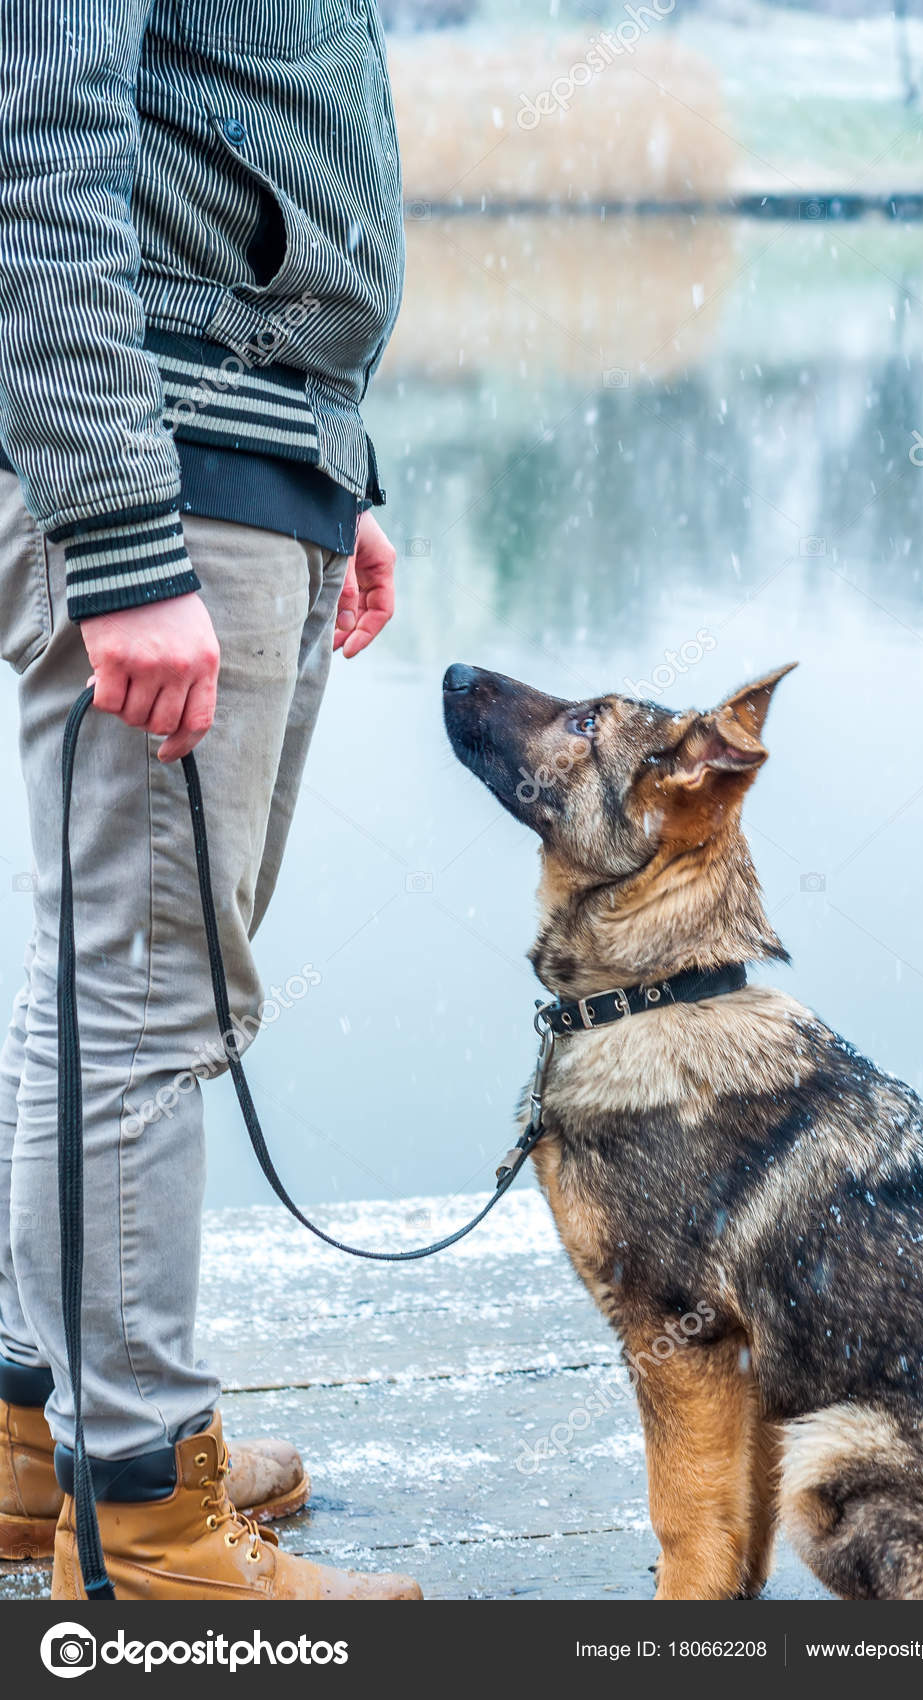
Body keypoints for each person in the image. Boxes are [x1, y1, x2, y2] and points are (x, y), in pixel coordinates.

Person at [0, 1, 420, 1601]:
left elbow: (245, 122)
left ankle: (40, 1432)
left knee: (98, 975)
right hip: (157, 458)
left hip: (232, 448)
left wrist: (330, 461)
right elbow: (34, 160)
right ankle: (147, 1532)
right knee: (146, 993)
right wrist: (120, 533)